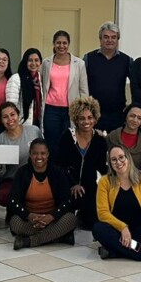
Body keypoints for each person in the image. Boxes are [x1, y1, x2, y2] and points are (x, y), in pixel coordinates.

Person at [94, 145, 141, 263]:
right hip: (117, 230)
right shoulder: (104, 182)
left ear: (128, 157)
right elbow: (103, 213)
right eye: (114, 160)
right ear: (110, 164)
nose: (118, 162)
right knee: (98, 229)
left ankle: (115, 252)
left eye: (121, 157)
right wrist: (123, 227)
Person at [9, 139, 78, 250]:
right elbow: (13, 201)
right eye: (35, 153)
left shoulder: (58, 172)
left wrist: (51, 216)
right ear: (30, 154)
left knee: (71, 219)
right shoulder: (22, 173)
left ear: (48, 154)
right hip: (30, 219)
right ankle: (58, 237)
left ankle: (28, 241)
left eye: (43, 153)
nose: (39, 157)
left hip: (53, 219)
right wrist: (29, 215)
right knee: (15, 223)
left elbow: (67, 201)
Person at [54, 95, 107, 229]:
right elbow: (59, 165)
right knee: (63, 222)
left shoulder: (100, 140)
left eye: (90, 117)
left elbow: (102, 169)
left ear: (95, 119)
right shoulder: (67, 137)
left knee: (91, 224)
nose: (86, 121)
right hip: (67, 186)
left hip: (90, 189)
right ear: (76, 119)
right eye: (82, 118)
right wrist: (73, 184)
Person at [85, 22, 132, 133]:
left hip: (117, 114)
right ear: (100, 39)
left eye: (113, 37)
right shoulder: (89, 58)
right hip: (93, 113)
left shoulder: (126, 60)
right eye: (106, 37)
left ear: (117, 40)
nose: (109, 40)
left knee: (115, 143)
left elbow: (135, 85)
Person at [40, 30, 88, 139]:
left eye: (64, 43)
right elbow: (42, 85)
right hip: (51, 109)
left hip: (71, 109)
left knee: (69, 140)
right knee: (51, 140)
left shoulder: (79, 64)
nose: (61, 46)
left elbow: (84, 90)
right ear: (54, 44)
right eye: (58, 43)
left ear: (68, 44)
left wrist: (84, 110)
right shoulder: (46, 63)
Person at [0, 101, 42, 204]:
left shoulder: (34, 131)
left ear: (18, 115)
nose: (10, 119)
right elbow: (1, 174)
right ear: (1, 120)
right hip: (13, 179)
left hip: (36, 175)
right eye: (5, 117)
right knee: (3, 195)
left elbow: (44, 154)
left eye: (12, 114)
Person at [105, 104, 141, 171]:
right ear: (126, 116)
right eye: (132, 116)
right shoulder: (111, 137)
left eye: (139, 118)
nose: (135, 120)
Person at [6, 48, 43, 128]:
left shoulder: (40, 79)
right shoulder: (16, 78)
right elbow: (11, 106)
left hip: (37, 123)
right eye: (30, 60)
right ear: (25, 61)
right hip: (21, 124)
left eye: (36, 60)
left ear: (40, 62)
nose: (33, 63)